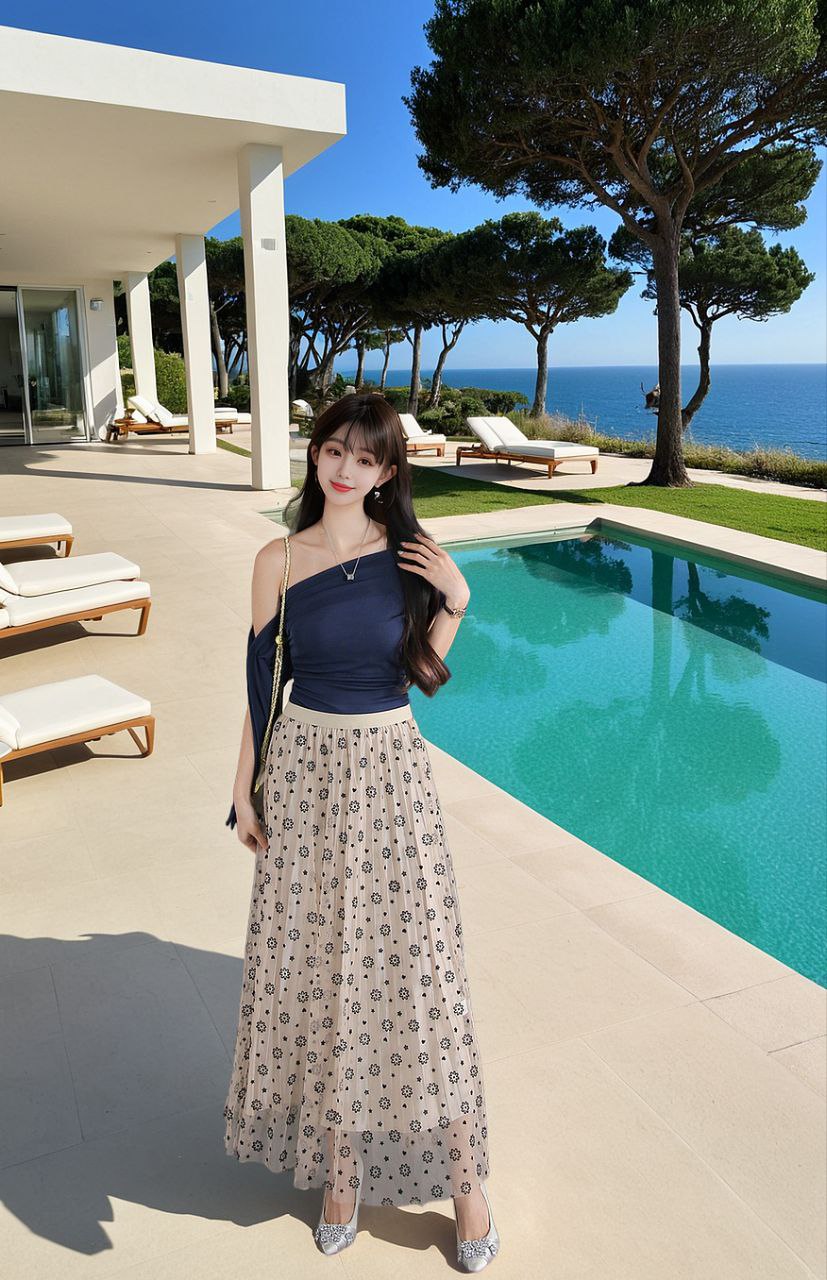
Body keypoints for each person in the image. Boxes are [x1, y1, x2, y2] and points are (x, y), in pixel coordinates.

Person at [223, 393, 498, 1271]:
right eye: (334, 450)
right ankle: (338, 1175)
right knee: (319, 973)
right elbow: (261, 687)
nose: (346, 469)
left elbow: (417, 674)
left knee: (419, 974)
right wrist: (244, 792)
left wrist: (455, 600)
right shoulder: (276, 559)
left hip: (389, 773)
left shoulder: (409, 555)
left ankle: (466, 1183)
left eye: (367, 459)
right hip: (302, 773)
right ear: (316, 454)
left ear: (387, 473)